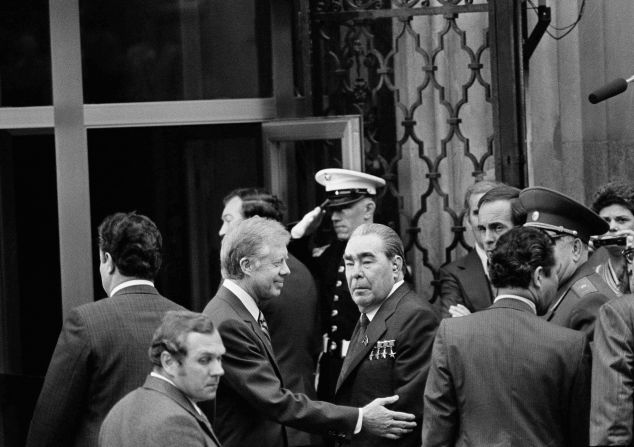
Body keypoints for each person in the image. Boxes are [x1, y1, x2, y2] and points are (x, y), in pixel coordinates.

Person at [203, 216, 416, 447]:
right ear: (246, 266)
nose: (286, 271)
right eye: (277, 263)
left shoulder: (238, 310)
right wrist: (360, 418)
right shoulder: (229, 321)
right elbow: (275, 401)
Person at [26, 212, 185, 447]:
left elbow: (50, 423)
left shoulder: (86, 322)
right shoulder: (189, 322)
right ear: (156, 262)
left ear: (107, 260)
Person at [422, 227, 591, 447]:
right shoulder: (571, 345)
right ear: (539, 276)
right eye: (554, 274)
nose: (556, 282)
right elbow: (580, 434)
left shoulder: (452, 334)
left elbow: (437, 431)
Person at [218, 187, 321, 446]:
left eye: (228, 220)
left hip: (274, 425)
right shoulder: (299, 271)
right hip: (297, 423)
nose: (221, 231)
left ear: (253, 225)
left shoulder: (264, 280)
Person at [334, 223, 438, 446]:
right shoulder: (371, 311)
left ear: (395, 265)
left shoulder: (415, 317)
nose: (356, 273)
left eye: (367, 261)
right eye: (349, 262)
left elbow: (406, 418)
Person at [290, 168, 385, 402]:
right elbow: (296, 268)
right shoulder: (332, 254)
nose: (334, 217)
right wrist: (301, 235)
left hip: (366, 368)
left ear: (368, 209)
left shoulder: (385, 254)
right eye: (332, 209)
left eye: (344, 208)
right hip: (331, 368)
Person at [98, 310, 223, 447]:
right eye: (204, 360)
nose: (219, 371)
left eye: (219, 358)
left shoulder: (119, 410)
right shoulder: (176, 424)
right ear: (168, 362)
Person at [520, 186, 616, 337]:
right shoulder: (553, 286)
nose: (534, 250)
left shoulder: (590, 300)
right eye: (529, 240)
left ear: (576, 249)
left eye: (545, 242)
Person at [448, 184, 525, 317]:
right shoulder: (453, 273)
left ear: (520, 229)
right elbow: (452, 326)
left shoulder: (540, 276)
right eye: (483, 229)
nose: (487, 239)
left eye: (498, 228)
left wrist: (472, 321)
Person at [437, 180, 501, 318]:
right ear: (468, 219)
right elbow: (453, 330)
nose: (484, 220)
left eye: (491, 211)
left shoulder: (526, 264)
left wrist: (472, 321)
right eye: (478, 212)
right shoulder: (453, 274)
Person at [590, 180, 634, 296]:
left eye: (622, 220)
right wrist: (582, 260)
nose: (612, 227)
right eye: (606, 221)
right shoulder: (592, 275)